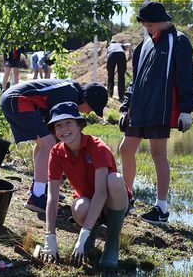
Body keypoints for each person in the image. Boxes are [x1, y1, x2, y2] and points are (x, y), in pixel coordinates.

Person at [119, 1, 193, 225]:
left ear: (163, 21)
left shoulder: (178, 40)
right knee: (126, 148)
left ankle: (161, 209)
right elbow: (135, 79)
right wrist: (126, 106)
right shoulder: (144, 44)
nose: (148, 28)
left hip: (160, 107)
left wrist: (186, 109)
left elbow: (185, 75)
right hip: (139, 107)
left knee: (158, 154)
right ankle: (126, 198)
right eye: (145, 25)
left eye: (150, 24)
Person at [39, 101, 130, 269]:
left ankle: (111, 245)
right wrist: (49, 236)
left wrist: (82, 234)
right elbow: (52, 197)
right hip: (88, 203)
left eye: (68, 123)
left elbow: (102, 193)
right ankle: (90, 236)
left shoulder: (97, 147)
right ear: (54, 130)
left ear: (79, 125)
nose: (64, 128)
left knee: (115, 179)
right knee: (79, 206)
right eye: (58, 125)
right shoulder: (56, 152)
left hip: (112, 204)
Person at [0, 79, 108, 213]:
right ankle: (37, 197)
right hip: (17, 100)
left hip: (15, 99)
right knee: (48, 144)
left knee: (44, 141)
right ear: (87, 100)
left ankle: (40, 187)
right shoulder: (70, 96)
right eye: (91, 108)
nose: (88, 112)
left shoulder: (71, 91)